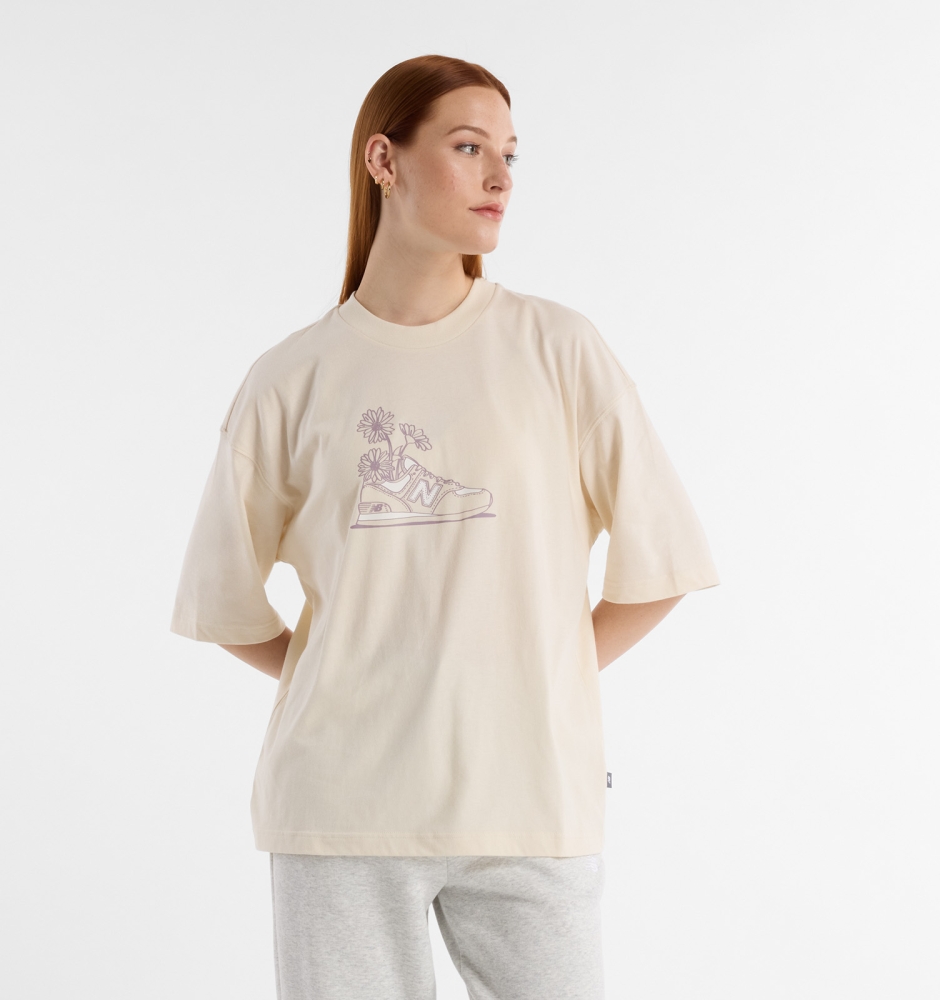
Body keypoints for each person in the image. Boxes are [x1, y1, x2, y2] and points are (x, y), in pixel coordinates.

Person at [170, 53, 720, 1000]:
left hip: (530, 800)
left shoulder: (559, 349)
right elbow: (224, 603)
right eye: (469, 148)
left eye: (510, 153)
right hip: (342, 809)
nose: (500, 177)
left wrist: (531, 673)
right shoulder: (291, 379)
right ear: (383, 160)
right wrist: (363, 667)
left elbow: (660, 564)